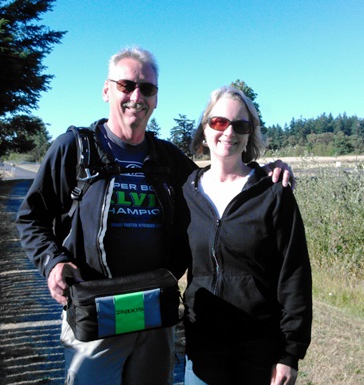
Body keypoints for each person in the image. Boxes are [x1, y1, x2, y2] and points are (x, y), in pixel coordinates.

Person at [16, 47, 294, 385]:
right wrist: (53, 262)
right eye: (126, 85)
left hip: (153, 314)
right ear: (107, 90)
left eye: (147, 89)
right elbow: (32, 217)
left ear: (156, 98)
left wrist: (262, 172)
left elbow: (217, 181)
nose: (136, 96)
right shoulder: (75, 149)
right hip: (96, 314)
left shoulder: (168, 159)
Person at [180, 86, 312, 385]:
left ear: (250, 133)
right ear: (205, 128)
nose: (228, 132)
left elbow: (295, 274)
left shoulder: (273, 192)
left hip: (260, 347)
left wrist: (290, 353)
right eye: (218, 122)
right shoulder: (186, 192)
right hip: (204, 347)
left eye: (241, 125)